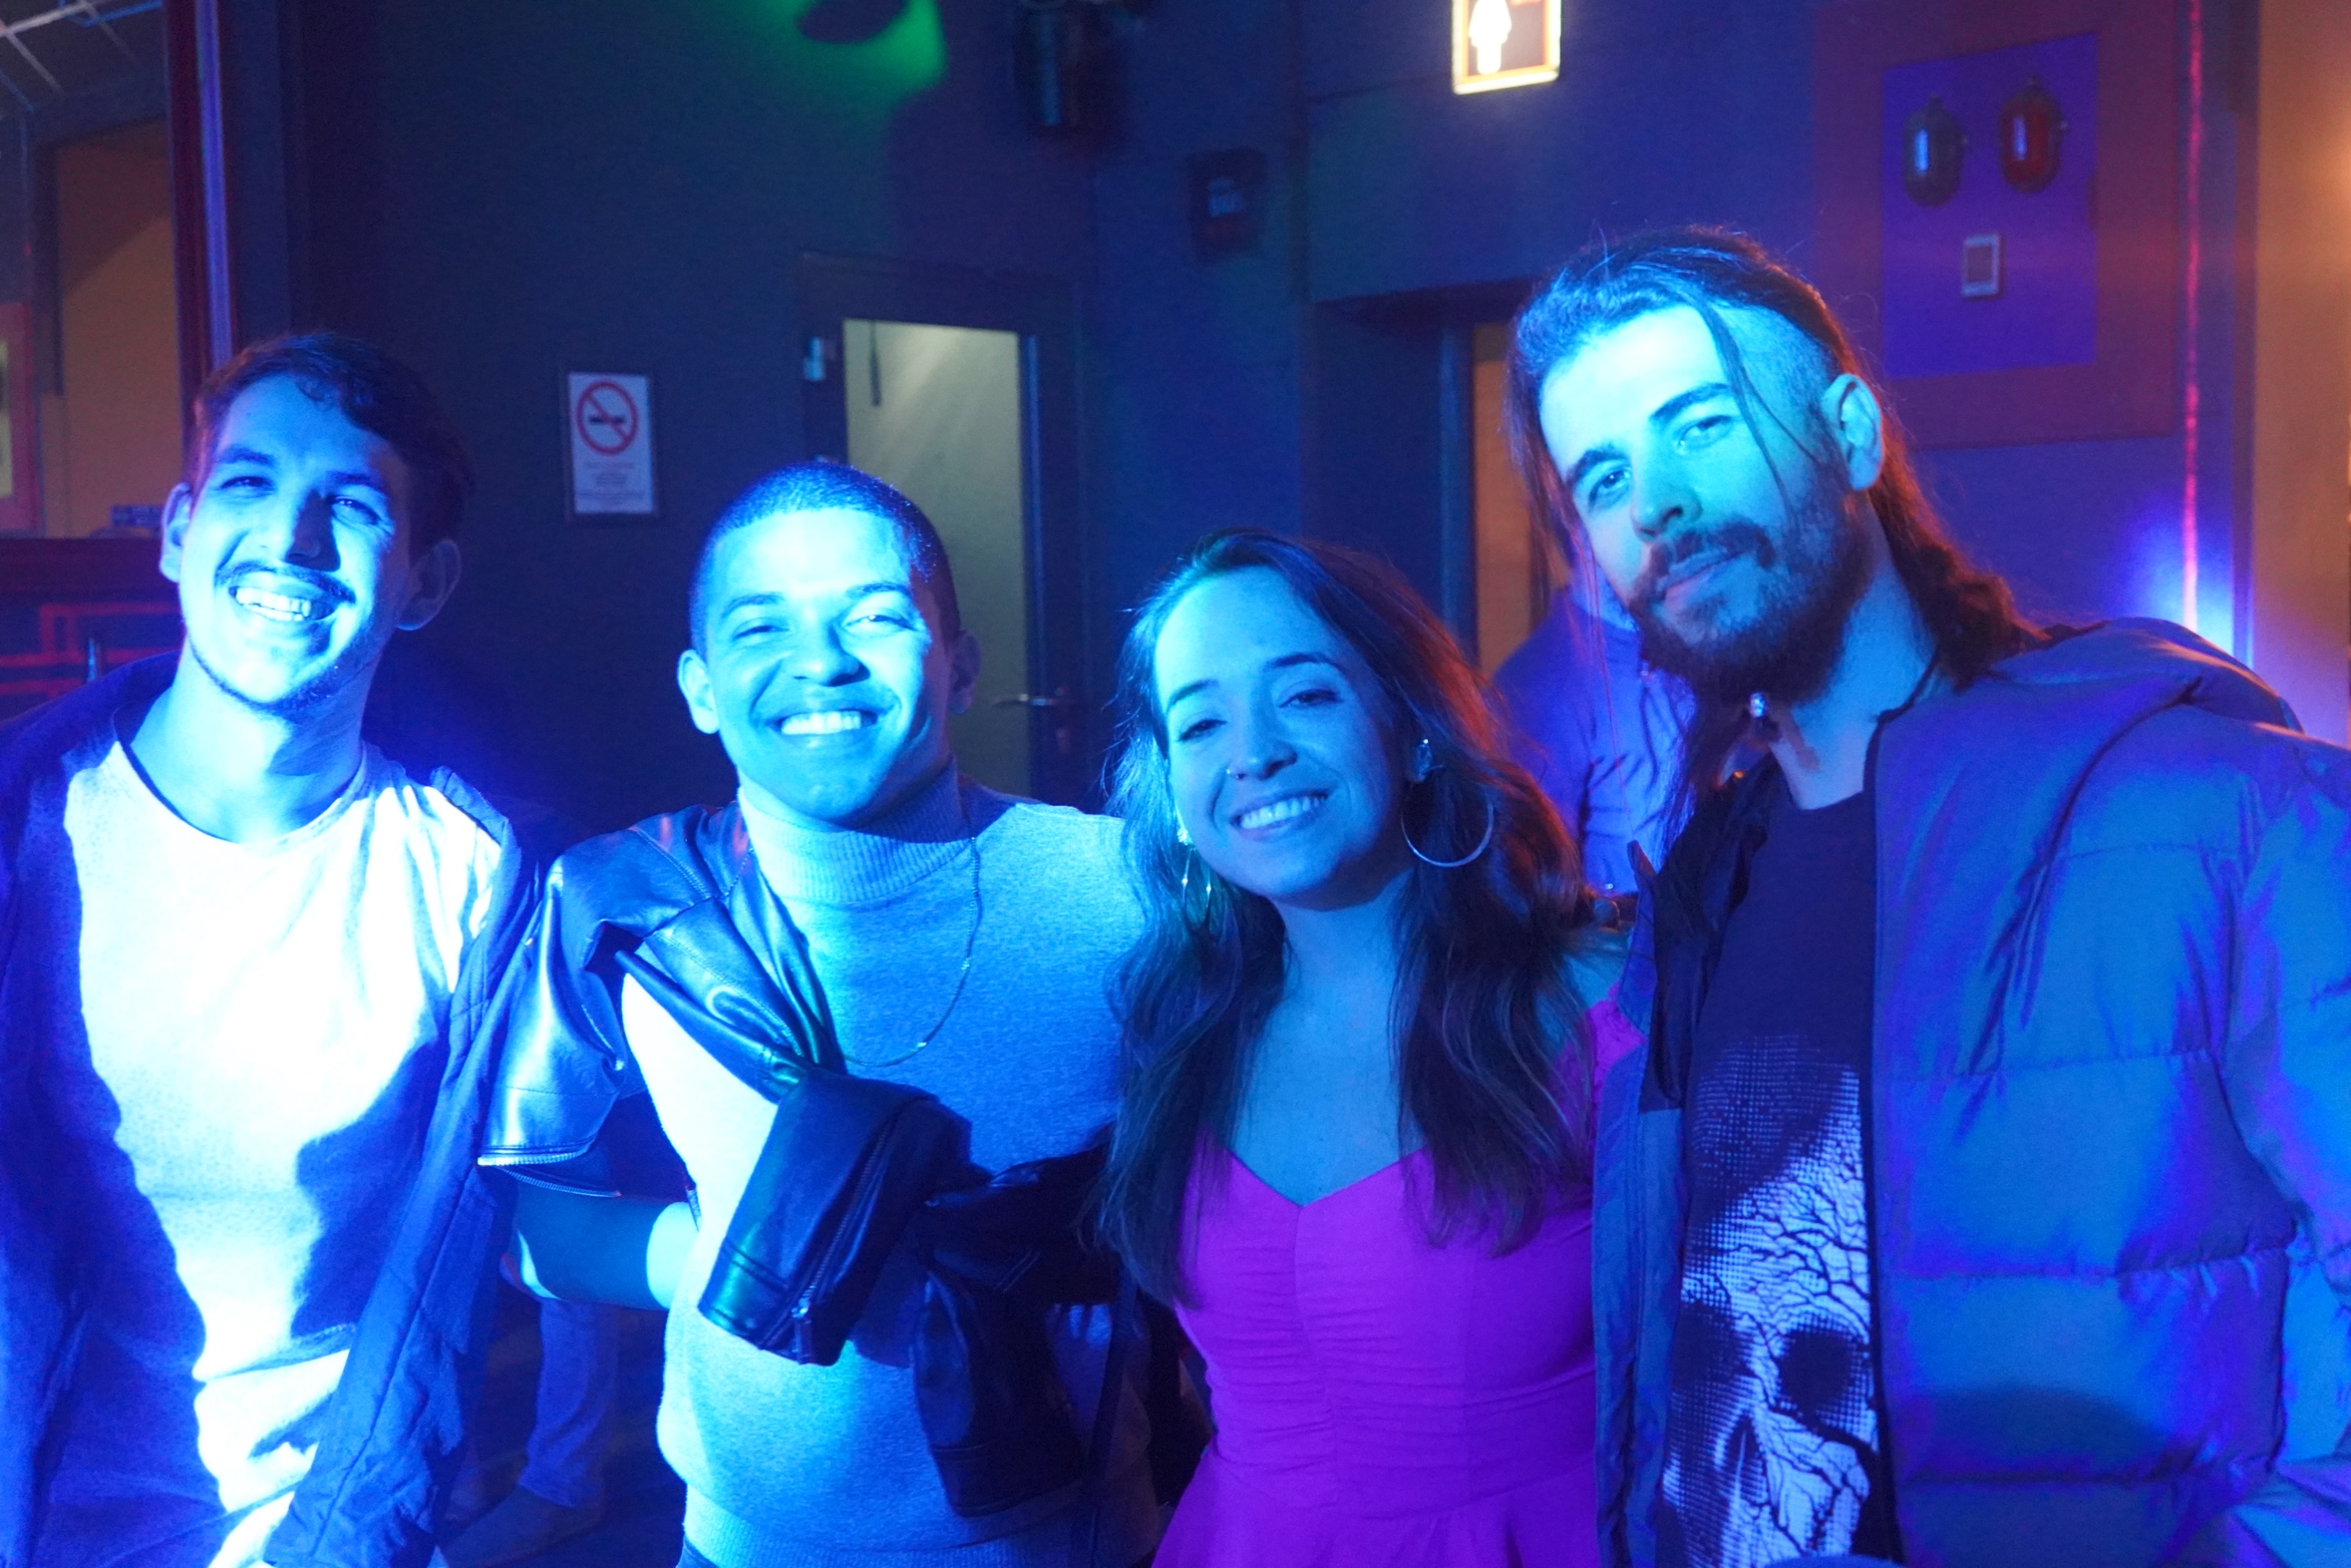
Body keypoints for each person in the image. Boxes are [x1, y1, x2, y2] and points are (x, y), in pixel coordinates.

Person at [1508, 227, 2351, 1566]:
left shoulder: (2219, 811)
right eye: (1602, 478)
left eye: (1702, 425)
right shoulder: (1703, 890)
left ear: (1848, 435)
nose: (1653, 502)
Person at [479, 460, 1165, 1568]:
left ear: (960, 667)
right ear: (701, 688)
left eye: (875, 617)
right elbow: (542, 1231)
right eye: (762, 628)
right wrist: (750, 1250)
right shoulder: (628, 906)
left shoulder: (1126, 891)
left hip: (1079, 1539)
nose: (821, 662)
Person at [0, 333, 532, 1567]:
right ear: (181, 529)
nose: (291, 541)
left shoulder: (474, 880)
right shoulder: (22, 830)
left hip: (323, 1532)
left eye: (352, 506)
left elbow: (502, 1229)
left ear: (426, 582)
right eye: (250, 484)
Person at [1094, 529, 1632, 1566]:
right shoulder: (1182, 1034)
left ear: (1415, 733)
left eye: (1305, 695)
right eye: (1200, 722)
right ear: (1174, 794)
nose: (1253, 752)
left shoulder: (1593, 1004)